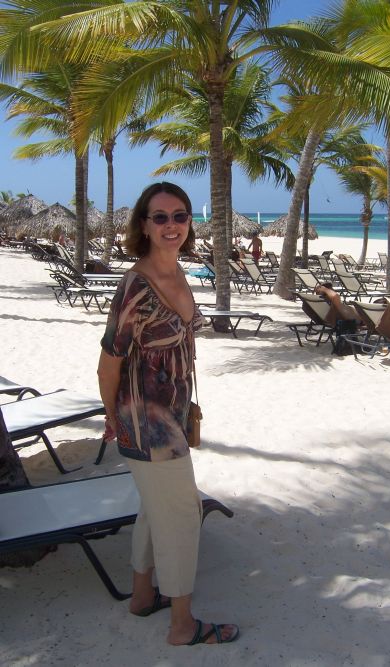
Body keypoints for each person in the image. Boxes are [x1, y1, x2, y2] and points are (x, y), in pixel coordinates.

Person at [97, 182, 239, 647]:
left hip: (172, 414)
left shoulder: (181, 272)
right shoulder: (135, 286)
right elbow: (109, 361)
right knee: (181, 513)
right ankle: (182, 624)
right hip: (145, 421)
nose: (171, 225)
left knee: (154, 508)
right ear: (144, 225)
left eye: (179, 215)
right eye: (160, 217)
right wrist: (112, 416)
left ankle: (142, 597)